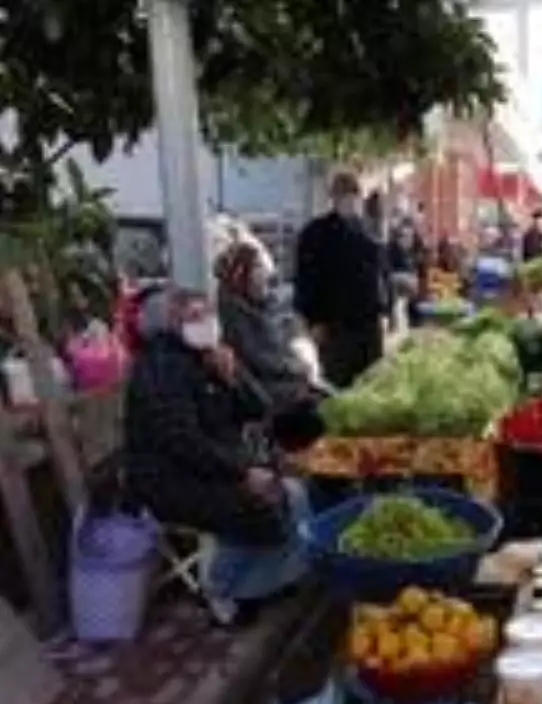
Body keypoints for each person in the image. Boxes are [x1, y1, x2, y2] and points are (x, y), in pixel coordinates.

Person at [123, 287, 309, 626]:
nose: (205, 323)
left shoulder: (206, 357)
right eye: (193, 317)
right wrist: (242, 473)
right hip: (166, 477)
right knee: (259, 501)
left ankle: (261, 583)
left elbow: (260, 408)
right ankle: (218, 589)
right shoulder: (160, 367)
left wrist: (234, 375)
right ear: (170, 324)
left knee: (296, 494)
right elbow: (182, 441)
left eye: (207, 314)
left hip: (212, 465)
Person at [294, 172, 387, 387]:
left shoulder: (367, 230)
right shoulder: (315, 233)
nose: (349, 200)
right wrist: (313, 320)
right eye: (343, 194)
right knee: (338, 383)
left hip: (368, 324)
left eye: (353, 194)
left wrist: (384, 308)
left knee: (371, 383)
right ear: (333, 197)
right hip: (334, 324)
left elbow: (379, 273)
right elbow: (306, 279)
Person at [214, 241, 314, 410]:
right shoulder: (234, 313)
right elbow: (260, 358)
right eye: (257, 266)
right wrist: (297, 367)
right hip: (267, 393)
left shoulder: (258, 305)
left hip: (281, 381)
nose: (265, 273)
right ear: (241, 273)